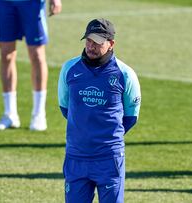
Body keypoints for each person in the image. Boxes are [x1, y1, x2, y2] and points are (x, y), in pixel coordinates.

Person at [58, 18, 141, 203]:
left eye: (97, 42)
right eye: (88, 40)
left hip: (109, 158)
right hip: (76, 156)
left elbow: (131, 117)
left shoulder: (125, 74)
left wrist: (105, 139)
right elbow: (65, 108)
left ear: (111, 44)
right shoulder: (69, 69)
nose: (91, 46)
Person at [0, 0, 62, 131]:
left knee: (37, 54)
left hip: (33, 4)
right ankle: (10, 114)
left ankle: (39, 114)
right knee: (6, 54)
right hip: (5, 3)